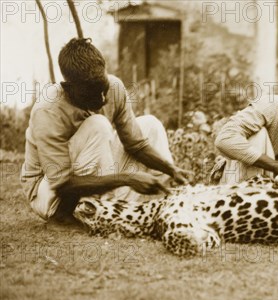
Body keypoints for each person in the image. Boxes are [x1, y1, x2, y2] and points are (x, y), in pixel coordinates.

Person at [20, 38, 190, 222]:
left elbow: (136, 145)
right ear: (68, 87)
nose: (102, 99)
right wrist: (127, 179)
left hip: (90, 177)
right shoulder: (48, 110)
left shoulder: (114, 87)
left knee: (150, 124)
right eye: (91, 93)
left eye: (103, 88)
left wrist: (171, 170)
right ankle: (64, 217)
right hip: (49, 194)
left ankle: (170, 199)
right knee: (98, 124)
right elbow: (62, 184)